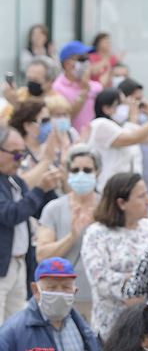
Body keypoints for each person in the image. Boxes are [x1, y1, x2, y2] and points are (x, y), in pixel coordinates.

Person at [0, 257, 102, 351]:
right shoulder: (11, 333)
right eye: (52, 287)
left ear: (75, 291)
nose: (59, 293)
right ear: (35, 290)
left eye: (66, 287)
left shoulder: (84, 330)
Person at [82, 172, 148, 338]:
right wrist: (137, 285)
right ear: (121, 203)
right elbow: (100, 279)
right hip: (113, 330)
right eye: (141, 196)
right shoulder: (97, 234)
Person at [0, 126, 61, 323]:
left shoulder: (15, 180)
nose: (20, 161)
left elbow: (35, 209)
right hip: (3, 268)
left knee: (16, 325)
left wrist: (51, 185)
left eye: (23, 154)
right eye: (16, 155)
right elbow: (10, 214)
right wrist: (40, 189)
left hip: (18, 264)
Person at [36, 145, 101, 317]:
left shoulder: (108, 208)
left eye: (87, 170)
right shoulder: (54, 209)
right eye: (75, 169)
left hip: (98, 297)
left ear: (97, 172)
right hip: (62, 297)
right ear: (68, 172)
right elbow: (41, 254)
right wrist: (71, 237)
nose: (81, 174)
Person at [88, 87, 148, 191]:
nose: (127, 106)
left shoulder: (124, 126)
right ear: (106, 108)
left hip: (129, 187)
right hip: (108, 188)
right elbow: (134, 138)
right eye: (121, 104)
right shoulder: (100, 125)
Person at [7, 98, 63, 183]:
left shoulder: (50, 149)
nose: (50, 124)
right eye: (45, 120)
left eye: (50, 119)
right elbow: (20, 185)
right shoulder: (17, 155)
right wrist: (46, 162)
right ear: (28, 126)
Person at [53, 40, 103, 135]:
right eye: (82, 59)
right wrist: (84, 92)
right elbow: (64, 118)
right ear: (67, 64)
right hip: (72, 142)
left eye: (87, 58)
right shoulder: (57, 88)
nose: (86, 62)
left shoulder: (96, 86)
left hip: (94, 141)